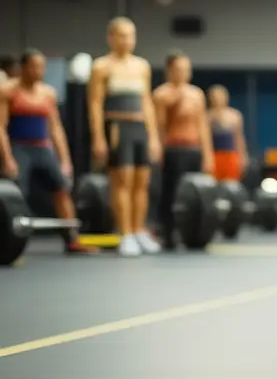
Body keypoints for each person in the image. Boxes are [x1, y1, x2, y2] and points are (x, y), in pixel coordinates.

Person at [0, 49, 96, 254]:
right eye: (34, 66)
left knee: (62, 190)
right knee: (15, 195)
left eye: (41, 67)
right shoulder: (8, 90)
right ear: (23, 68)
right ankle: (9, 244)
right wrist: (7, 158)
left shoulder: (48, 93)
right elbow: (0, 126)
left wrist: (65, 160)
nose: (38, 71)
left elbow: (56, 128)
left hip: (43, 148)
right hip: (19, 147)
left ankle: (72, 240)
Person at [88, 17, 161, 257]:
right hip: (117, 126)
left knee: (143, 181)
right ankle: (125, 233)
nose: (126, 40)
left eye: (130, 35)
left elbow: (147, 102)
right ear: (111, 37)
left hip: (139, 126)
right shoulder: (102, 66)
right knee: (123, 180)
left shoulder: (142, 66)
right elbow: (95, 103)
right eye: (121, 35)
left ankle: (139, 229)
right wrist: (98, 137)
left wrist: (153, 136)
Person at [152, 51, 214, 250]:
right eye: (179, 69)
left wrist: (207, 154)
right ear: (170, 71)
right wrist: (159, 151)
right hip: (173, 149)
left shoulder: (196, 94)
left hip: (193, 148)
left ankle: (194, 232)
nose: (183, 73)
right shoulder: (161, 94)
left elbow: (202, 125)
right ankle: (168, 234)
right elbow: (159, 126)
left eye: (186, 69)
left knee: (196, 194)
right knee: (171, 194)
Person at [208, 85, 248, 183]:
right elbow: (206, 140)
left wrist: (243, 156)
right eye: (214, 97)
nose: (217, 100)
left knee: (231, 183)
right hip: (214, 155)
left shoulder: (235, 115)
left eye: (220, 96)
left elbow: (239, 138)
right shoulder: (207, 116)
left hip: (231, 155)